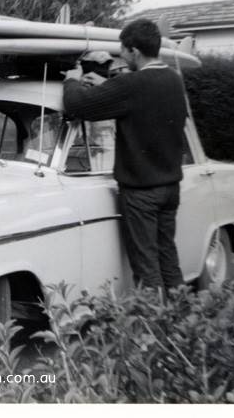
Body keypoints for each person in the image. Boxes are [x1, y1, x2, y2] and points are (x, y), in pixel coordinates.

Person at [62, 19, 188, 293]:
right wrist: (107, 84)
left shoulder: (132, 85)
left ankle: (153, 331)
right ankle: (183, 323)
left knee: (146, 269)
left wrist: (72, 81)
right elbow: (142, 99)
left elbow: (77, 105)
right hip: (170, 188)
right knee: (168, 259)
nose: (121, 56)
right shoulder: (174, 80)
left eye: (123, 51)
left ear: (135, 51)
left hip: (141, 193)